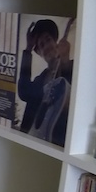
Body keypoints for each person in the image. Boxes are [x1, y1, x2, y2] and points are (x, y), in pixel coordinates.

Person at [17, 17, 74, 146]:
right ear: (40, 53)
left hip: (57, 145)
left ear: (56, 42)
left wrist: (65, 61)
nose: (47, 46)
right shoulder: (40, 79)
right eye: (41, 45)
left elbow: (72, 92)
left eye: (48, 40)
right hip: (32, 142)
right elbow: (23, 92)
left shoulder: (73, 68)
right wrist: (28, 49)